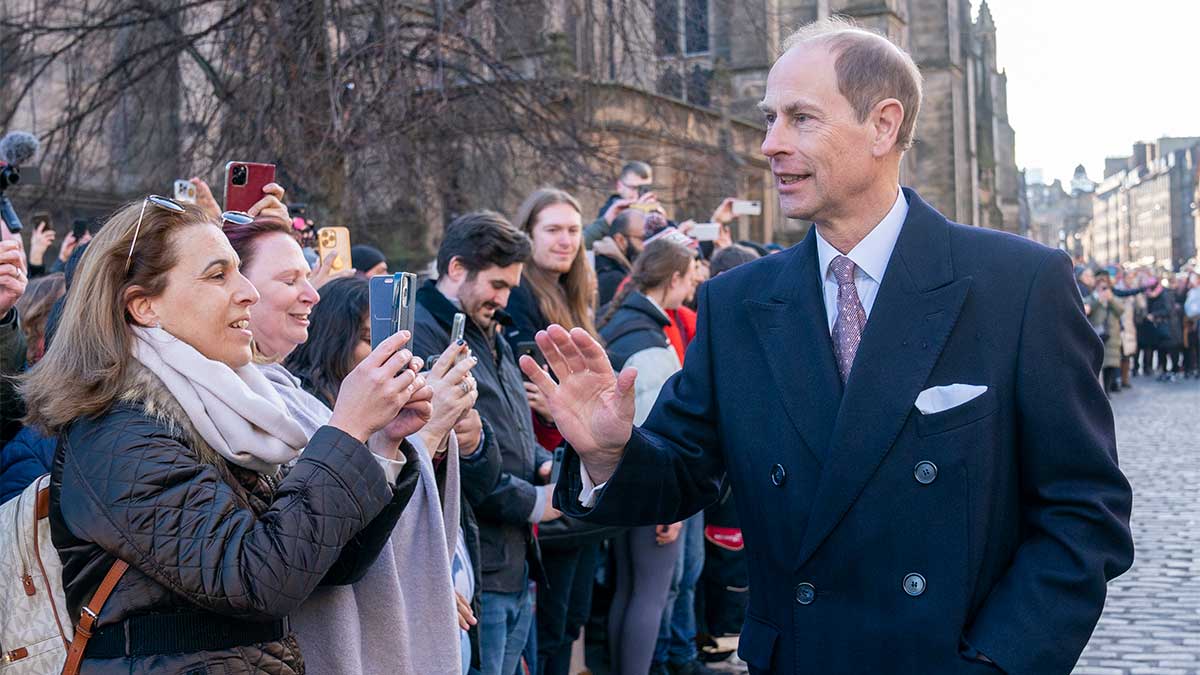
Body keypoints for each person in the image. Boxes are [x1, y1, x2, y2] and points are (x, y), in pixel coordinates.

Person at [525, 18, 1133, 675]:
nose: (769, 144)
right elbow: (682, 472)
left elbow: (1084, 514)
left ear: (884, 125)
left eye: (800, 119)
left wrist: (997, 661)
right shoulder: (738, 304)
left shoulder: (1017, 284)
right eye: (768, 119)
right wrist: (612, 451)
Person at [20, 197, 425, 672]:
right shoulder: (119, 434)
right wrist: (347, 427)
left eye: (240, 271)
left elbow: (324, 564)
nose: (249, 292)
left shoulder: (221, 414)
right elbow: (260, 578)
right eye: (219, 275)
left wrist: (378, 444)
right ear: (144, 305)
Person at [223, 206, 492, 675]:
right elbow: (290, 551)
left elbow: (355, 534)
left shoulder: (288, 393)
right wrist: (421, 434)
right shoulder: (230, 405)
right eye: (290, 281)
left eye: (309, 278)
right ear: (239, 292)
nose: (311, 294)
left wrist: (401, 439)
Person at [412, 211, 559, 675]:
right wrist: (535, 502)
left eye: (510, 287)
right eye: (496, 285)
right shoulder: (423, 335)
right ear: (457, 269)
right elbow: (450, 457)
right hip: (473, 560)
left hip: (512, 559)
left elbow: (515, 424)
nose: (504, 299)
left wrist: (542, 464)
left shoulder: (490, 329)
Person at [506, 188, 614, 675]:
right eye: (552, 229)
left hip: (577, 465)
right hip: (543, 469)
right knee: (548, 627)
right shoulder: (518, 298)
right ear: (528, 234)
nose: (566, 240)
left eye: (573, 230)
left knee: (571, 616)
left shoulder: (574, 296)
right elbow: (529, 393)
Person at [594, 237, 696, 675]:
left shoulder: (620, 323)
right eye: (689, 279)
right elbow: (658, 430)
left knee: (629, 589)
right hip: (647, 487)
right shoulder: (651, 344)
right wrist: (669, 500)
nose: (692, 288)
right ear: (672, 279)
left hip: (616, 480)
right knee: (649, 593)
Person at [585, 161, 658, 247]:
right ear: (619, 186)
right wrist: (636, 214)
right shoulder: (610, 213)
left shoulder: (653, 212)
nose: (639, 194)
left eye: (645, 189)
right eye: (634, 188)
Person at [595, 209, 647, 307]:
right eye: (642, 239)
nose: (647, 245)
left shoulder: (617, 266)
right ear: (620, 240)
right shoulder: (612, 278)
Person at [1086, 276, 1124, 395]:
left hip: (1112, 335)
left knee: (1111, 364)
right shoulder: (1092, 298)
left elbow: (1121, 310)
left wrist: (1111, 299)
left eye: (1105, 286)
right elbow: (1087, 310)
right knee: (1098, 364)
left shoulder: (1113, 299)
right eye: (1100, 286)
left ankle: (1107, 390)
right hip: (1097, 334)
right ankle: (1099, 391)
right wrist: (1098, 300)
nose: (1103, 289)